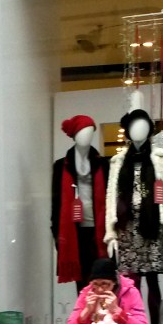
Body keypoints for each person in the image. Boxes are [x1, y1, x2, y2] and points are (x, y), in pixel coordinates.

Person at [104, 109, 163, 324]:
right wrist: (110, 232)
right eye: (135, 126)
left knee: (153, 282)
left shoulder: (162, 158)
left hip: (152, 226)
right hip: (126, 228)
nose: (139, 131)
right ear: (127, 131)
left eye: (144, 126)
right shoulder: (118, 161)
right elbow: (111, 197)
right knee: (130, 284)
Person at [51, 115, 109, 290]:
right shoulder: (61, 166)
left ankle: (102, 316)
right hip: (75, 232)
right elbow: (56, 203)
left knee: (103, 280)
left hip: (99, 231)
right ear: (74, 136)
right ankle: (84, 316)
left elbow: (111, 199)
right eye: (83, 132)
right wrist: (56, 235)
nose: (87, 137)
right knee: (82, 283)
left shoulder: (102, 164)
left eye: (90, 132)